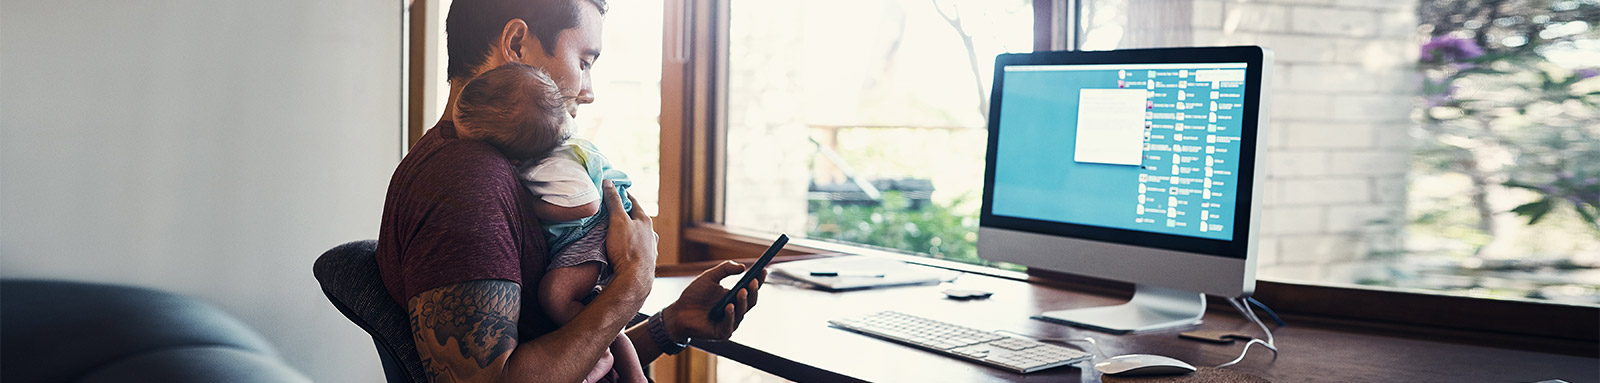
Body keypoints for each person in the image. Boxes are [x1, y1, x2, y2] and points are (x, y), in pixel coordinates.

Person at [374, 0, 764, 382]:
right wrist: (633, 282)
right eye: (584, 62)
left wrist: (670, 325)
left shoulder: (492, 168)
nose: (588, 91)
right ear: (516, 45)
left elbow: (567, 362)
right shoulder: (468, 182)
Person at [451, 62, 645, 383]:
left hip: (594, 230)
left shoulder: (551, 166)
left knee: (555, 296)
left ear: (513, 156)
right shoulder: (549, 132)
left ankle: (602, 355)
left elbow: (587, 203)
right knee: (600, 319)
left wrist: (532, 207)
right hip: (589, 229)